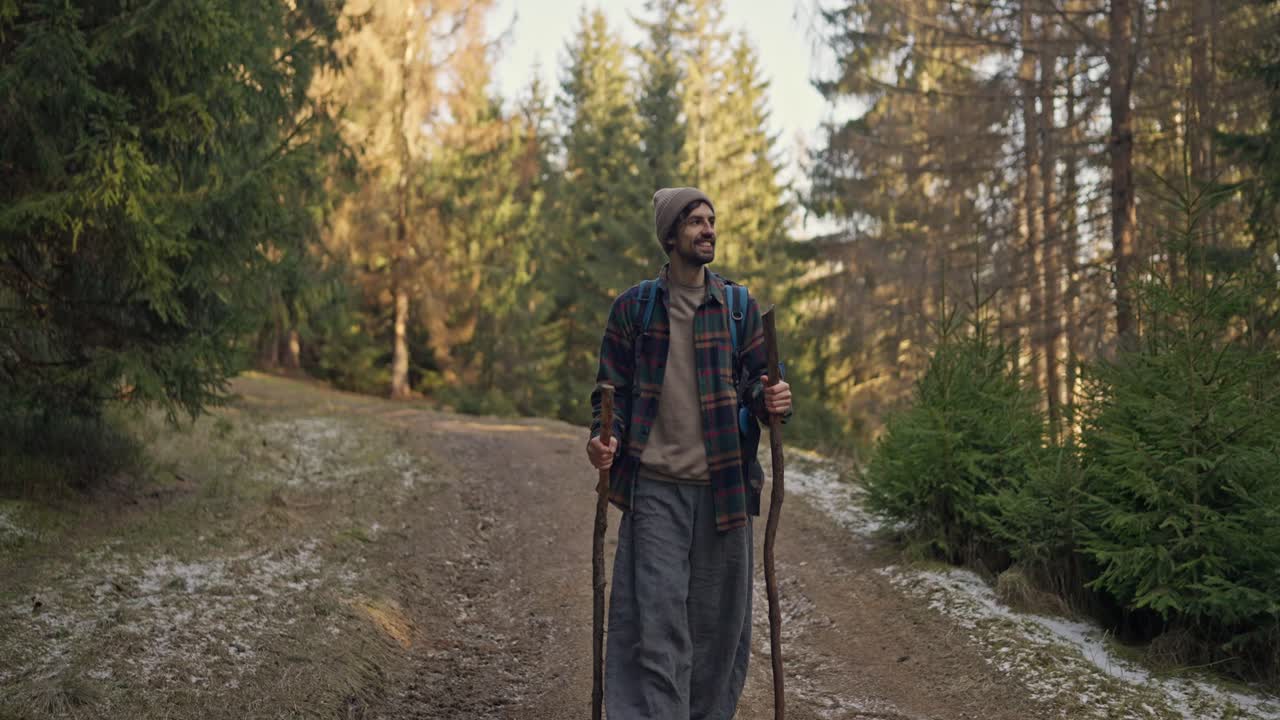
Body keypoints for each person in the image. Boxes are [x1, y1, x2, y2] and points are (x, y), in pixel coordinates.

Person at [586, 186, 793, 719]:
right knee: (656, 629)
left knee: (717, 632)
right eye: (696, 221)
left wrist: (773, 399)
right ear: (671, 234)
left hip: (724, 491)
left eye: (711, 220)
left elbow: (758, 384)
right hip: (654, 490)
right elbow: (612, 393)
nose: (708, 229)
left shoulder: (737, 307)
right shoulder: (634, 309)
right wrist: (603, 438)